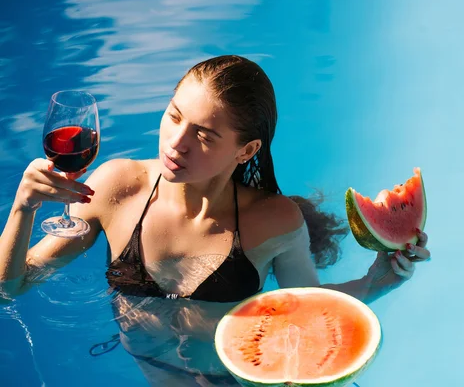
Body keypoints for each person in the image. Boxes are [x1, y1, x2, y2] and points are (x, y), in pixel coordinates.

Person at [0, 55, 430, 386]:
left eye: (204, 135)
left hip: (238, 378)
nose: (176, 143)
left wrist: (377, 283)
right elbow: (10, 286)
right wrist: (23, 207)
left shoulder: (273, 221)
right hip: (154, 371)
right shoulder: (116, 188)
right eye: (173, 116)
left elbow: (308, 311)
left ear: (246, 150)